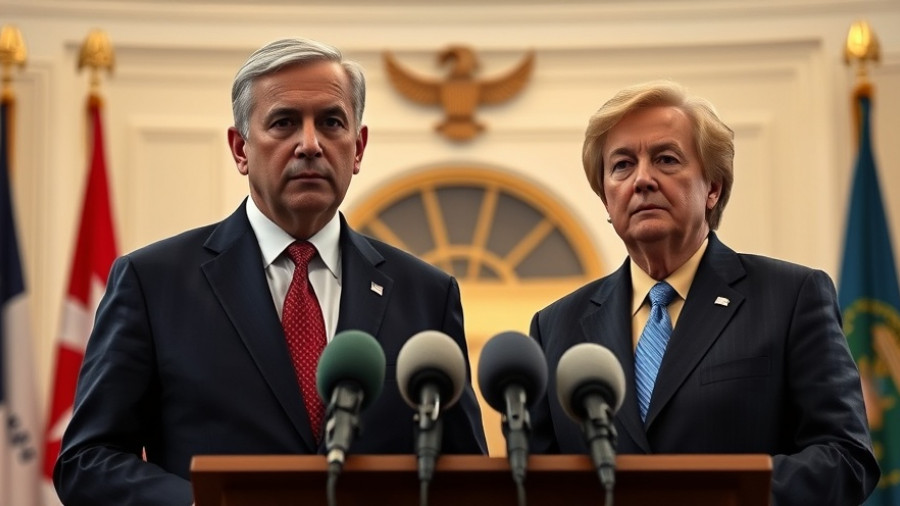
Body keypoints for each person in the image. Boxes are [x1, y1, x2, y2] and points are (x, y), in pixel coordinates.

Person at [53, 38, 487, 505]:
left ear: (357, 148)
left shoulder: (426, 295)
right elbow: (88, 460)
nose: (309, 144)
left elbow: (467, 476)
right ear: (240, 148)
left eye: (331, 122)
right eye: (283, 123)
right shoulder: (153, 283)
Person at [528, 80, 879, 505]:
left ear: (712, 188)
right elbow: (538, 482)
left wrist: (719, 493)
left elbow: (847, 459)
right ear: (606, 197)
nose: (642, 180)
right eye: (621, 165)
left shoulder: (792, 297)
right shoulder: (556, 327)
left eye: (666, 159)